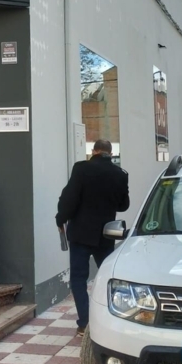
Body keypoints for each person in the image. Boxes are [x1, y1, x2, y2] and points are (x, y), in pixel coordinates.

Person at [56, 139, 129, 335]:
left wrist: (60, 219)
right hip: (105, 235)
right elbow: (123, 205)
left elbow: (69, 198)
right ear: (110, 152)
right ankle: (111, 321)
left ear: (94, 151)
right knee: (107, 277)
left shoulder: (81, 169)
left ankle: (85, 324)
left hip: (80, 233)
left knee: (79, 279)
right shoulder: (120, 174)